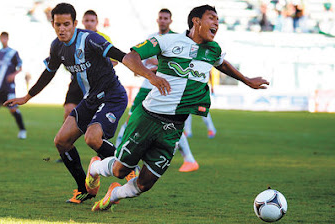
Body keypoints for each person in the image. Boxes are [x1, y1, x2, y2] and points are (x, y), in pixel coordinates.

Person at [86, 4, 269, 211]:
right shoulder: (167, 41)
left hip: (174, 127)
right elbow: (131, 57)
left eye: (218, 20)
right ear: (196, 21)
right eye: (212, 18)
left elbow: (221, 63)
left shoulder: (213, 49)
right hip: (148, 118)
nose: (216, 23)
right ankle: (94, 168)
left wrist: (247, 80)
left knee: (145, 183)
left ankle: (114, 194)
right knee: (120, 170)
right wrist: (150, 76)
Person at [3, 3, 170, 204]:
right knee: (61, 141)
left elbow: (123, 56)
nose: (62, 29)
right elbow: (49, 73)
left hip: (112, 96)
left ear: (75, 23)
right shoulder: (57, 46)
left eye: (66, 24)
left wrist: (149, 76)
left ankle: (127, 167)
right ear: (52, 24)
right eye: (58, 24)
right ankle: (85, 189)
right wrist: (26, 97)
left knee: (92, 138)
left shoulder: (90, 40)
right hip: (90, 99)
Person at [115, 8, 199, 172]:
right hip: (147, 87)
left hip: (164, 89)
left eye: (165, 18)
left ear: (170, 21)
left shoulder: (177, 39)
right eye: (160, 18)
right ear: (157, 20)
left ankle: (189, 158)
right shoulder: (151, 38)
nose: (162, 21)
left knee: (170, 125)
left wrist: (156, 64)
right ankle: (118, 155)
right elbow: (141, 62)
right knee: (130, 120)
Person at [54, 9, 118, 164]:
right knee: (68, 110)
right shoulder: (72, 37)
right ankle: (67, 146)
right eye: (86, 21)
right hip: (77, 81)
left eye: (92, 21)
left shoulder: (102, 38)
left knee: (96, 122)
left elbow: (114, 60)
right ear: (81, 22)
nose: (89, 23)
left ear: (96, 22)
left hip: (97, 84)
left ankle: (103, 149)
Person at [0, 32, 26, 139]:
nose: (3, 40)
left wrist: (13, 74)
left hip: (9, 87)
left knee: (13, 109)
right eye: (2, 38)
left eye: (5, 38)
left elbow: (20, 67)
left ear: (8, 39)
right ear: (0, 39)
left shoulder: (13, 53)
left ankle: (22, 130)